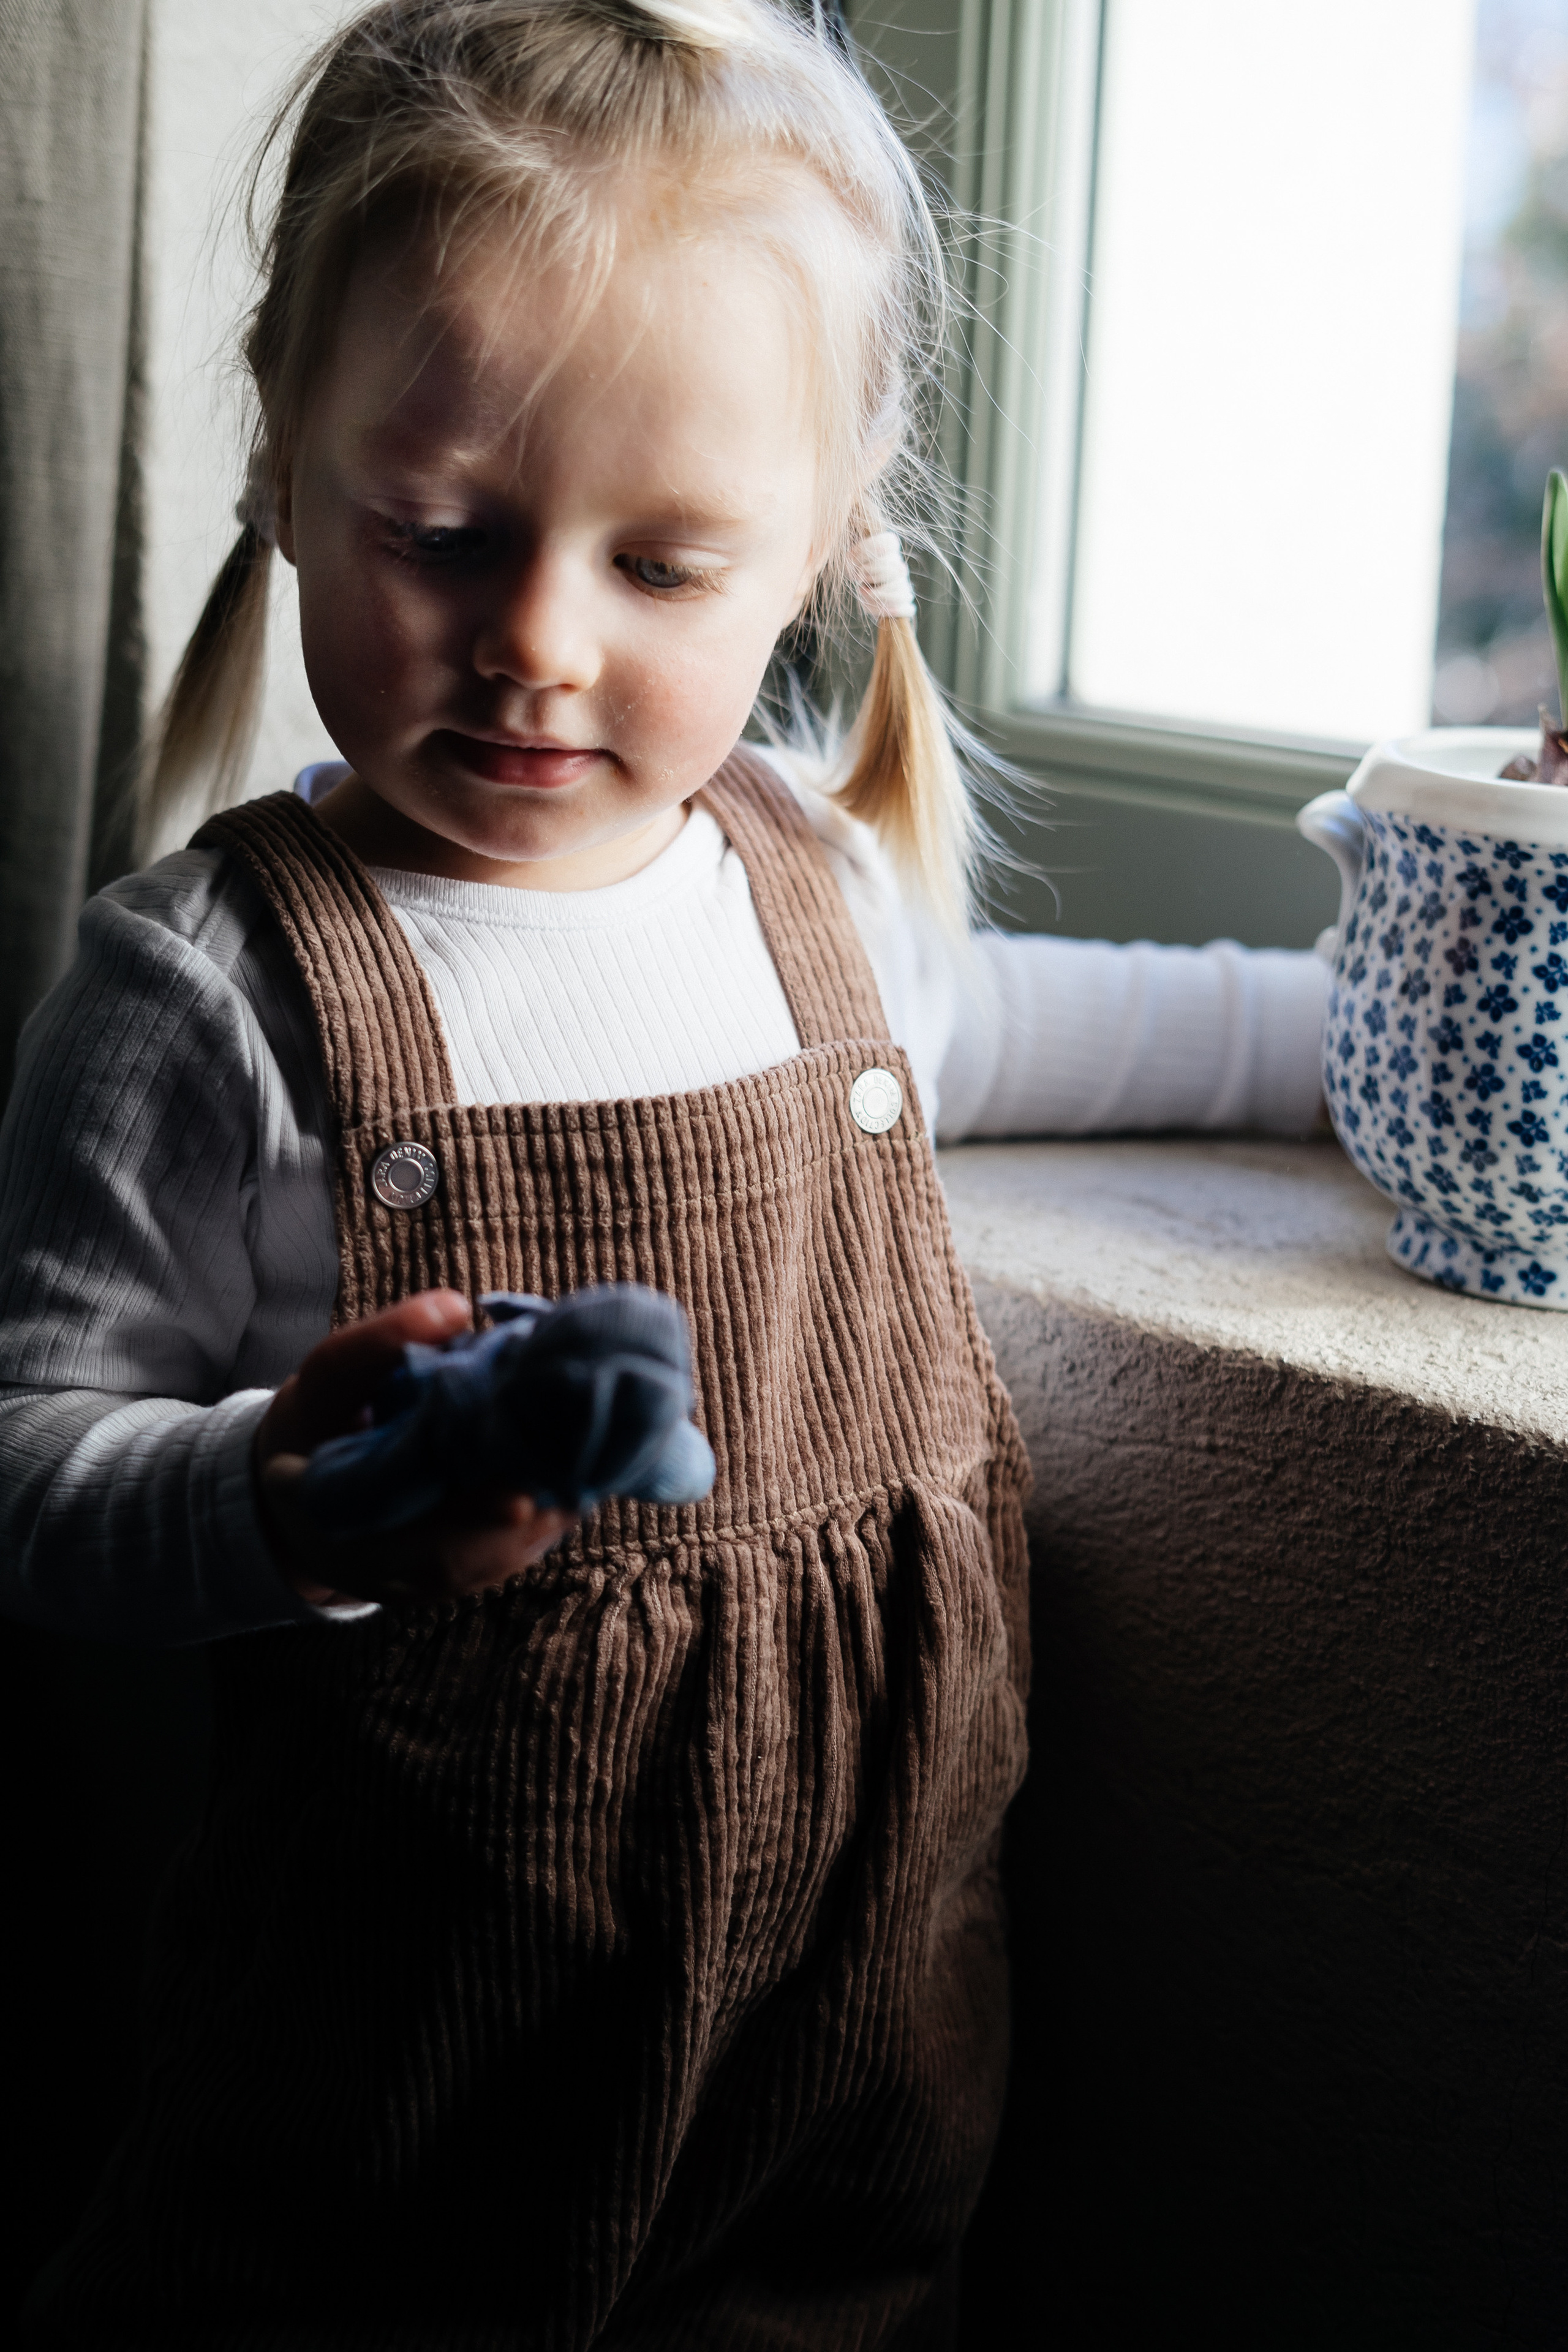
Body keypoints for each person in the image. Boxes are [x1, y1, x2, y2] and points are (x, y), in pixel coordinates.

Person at [4, 2, 1326, 2343]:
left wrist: (1366, 1043)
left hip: (846, 2083)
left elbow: (1058, 1023)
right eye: (442, 532)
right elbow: (32, 1467)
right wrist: (283, 1501)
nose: (534, 641)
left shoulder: (803, 894)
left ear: (822, 545)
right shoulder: (202, 995)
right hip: (390, 2106)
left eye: (666, 565)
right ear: (287, 467)